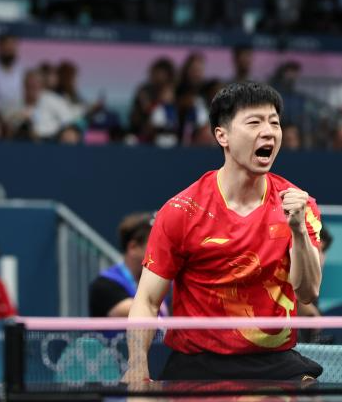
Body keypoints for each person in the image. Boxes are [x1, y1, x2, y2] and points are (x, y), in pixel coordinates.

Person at [126, 81, 324, 382]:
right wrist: (137, 366)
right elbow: (147, 301)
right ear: (223, 136)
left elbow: (307, 293)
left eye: (274, 123)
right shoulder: (182, 211)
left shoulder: (299, 206)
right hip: (199, 364)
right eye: (254, 122)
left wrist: (297, 230)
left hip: (273, 362)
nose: (269, 132)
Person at [89, 213, 162, 317]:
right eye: (155, 244)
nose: (161, 250)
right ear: (133, 247)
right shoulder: (104, 286)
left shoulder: (163, 283)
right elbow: (143, 313)